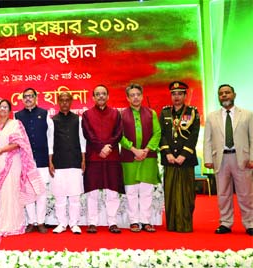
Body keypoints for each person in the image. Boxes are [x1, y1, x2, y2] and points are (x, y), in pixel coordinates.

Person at [0, 99, 45, 237]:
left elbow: (19, 143)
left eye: (6, 107)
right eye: (1, 107)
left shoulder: (15, 124)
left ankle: (14, 223)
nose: (3, 109)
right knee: (1, 194)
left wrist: (1, 150)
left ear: (10, 111)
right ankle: (2, 220)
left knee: (11, 191)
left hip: (12, 162)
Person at [203, 84, 253, 236]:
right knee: (223, 193)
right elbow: (208, 140)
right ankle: (225, 223)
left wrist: (252, 158)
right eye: (221, 93)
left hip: (242, 159)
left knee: (246, 193)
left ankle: (250, 223)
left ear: (234, 94)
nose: (224, 95)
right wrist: (207, 159)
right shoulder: (212, 116)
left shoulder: (247, 114)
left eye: (227, 92)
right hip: (221, 159)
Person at [81, 85, 124, 234]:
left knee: (112, 191)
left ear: (108, 96)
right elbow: (88, 134)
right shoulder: (86, 114)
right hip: (94, 157)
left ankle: (112, 222)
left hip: (111, 157)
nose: (100, 96)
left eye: (103, 94)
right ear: (93, 97)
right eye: (97, 94)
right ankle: (92, 222)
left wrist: (108, 147)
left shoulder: (116, 114)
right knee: (92, 192)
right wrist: (100, 148)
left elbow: (118, 133)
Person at [159, 81, 200, 233]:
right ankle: (172, 225)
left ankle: (185, 225)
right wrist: (167, 153)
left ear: (185, 95)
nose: (176, 97)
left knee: (187, 194)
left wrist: (183, 155)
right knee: (170, 194)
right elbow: (161, 134)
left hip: (186, 160)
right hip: (169, 159)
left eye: (180, 94)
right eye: (174, 94)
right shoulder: (164, 113)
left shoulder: (192, 112)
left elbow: (194, 135)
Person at [120, 83, 161, 233]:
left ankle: (146, 221)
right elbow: (120, 136)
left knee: (146, 191)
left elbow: (157, 133)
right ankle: (134, 221)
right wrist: (134, 150)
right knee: (131, 191)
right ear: (128, 98)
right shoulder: (122, 115)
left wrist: (146, 150)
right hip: (129, 157)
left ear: (142, 96)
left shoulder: (152, 113)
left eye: (138, 94)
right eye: (132, 95)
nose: (135, 97)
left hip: (148, 157)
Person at [14, 88, 53, 234]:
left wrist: (50, 159)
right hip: (25, 161)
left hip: (42, 159)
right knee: (28, 191)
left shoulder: (44, 114)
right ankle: (31, 221)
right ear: (22, 99)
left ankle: (41, 221)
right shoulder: (17, 116)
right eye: (25, 97)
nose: (28, 99)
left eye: (31, 96)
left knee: (41, 191)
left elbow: (50, 138)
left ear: (36, 98)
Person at [50, 92, 86, 234]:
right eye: (62, 100)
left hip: (75, 160)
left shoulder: (78, 119)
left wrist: (83, 159)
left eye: (67, 100)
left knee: (74, 195)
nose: (64, 103)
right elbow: (50, 142)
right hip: (58, 162)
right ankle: (62, 223)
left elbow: (82, 141)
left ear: (71, 101)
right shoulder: (52, 120)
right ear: (58, 102)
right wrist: (50, 161)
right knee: (60, 195)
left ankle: (74, 223)